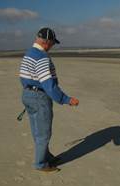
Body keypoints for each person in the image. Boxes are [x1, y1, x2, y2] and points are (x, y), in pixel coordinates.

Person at [19, 27, 79, 172]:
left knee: (37, 131)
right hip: (39, 97)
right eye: (52, 43)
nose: (52, 46)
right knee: (44, 133)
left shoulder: (29, 53)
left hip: (27, 94)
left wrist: (31, 91)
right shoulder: (41, 57)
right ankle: (41, 164)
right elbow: (49, 85)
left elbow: (23, 77)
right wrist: (66, 99)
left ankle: (46, 156)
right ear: (47, 42)